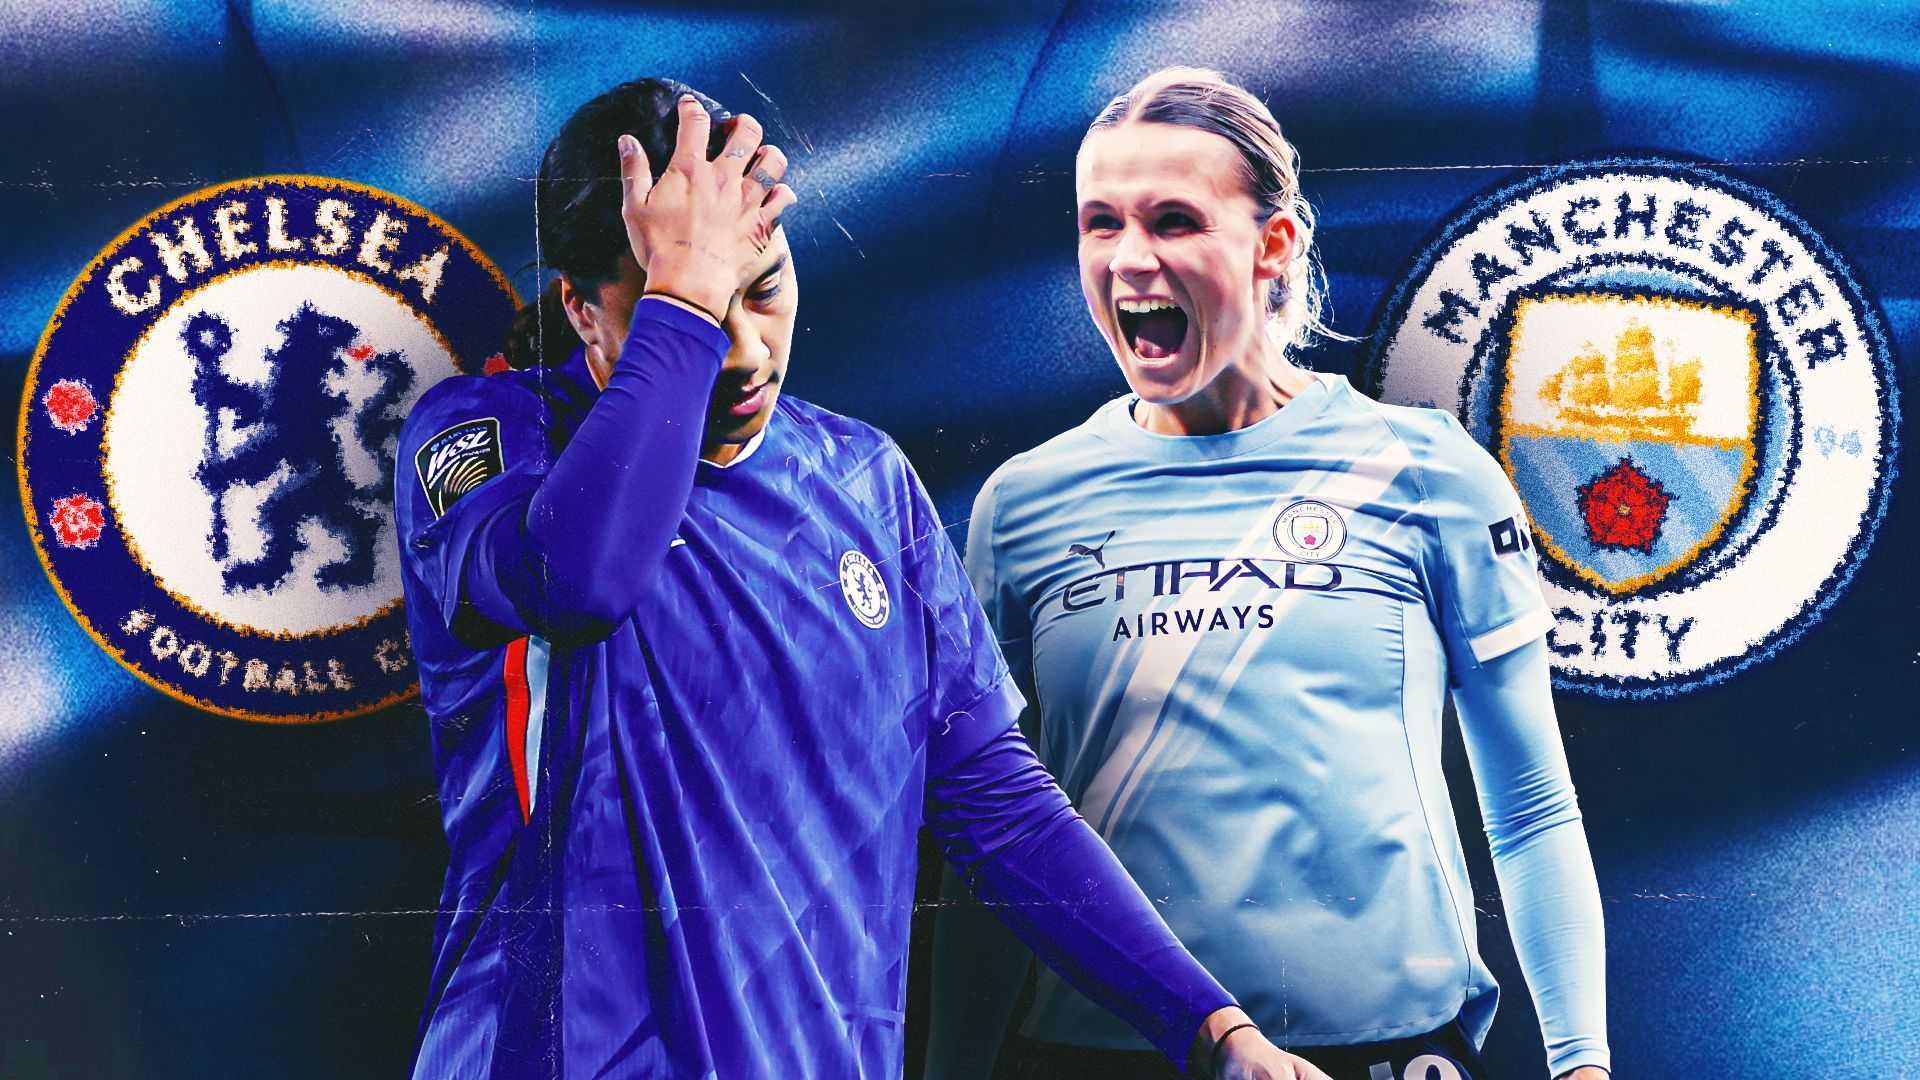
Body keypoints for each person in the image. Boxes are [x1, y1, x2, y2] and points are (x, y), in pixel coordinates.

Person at [395, 77, 1334, 1080]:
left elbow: (997, 804)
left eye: (763, 288)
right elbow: (579, 580)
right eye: (698, 307)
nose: (742, 351)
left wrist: (1214, 1031)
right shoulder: (492, 439)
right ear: (583, 311)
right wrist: (684, 297)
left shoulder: (864, 480)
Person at [929, 68, 1611, 1080]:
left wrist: (1583, 1063)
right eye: (1100, 223)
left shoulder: (1425, 471)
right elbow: (991, 845)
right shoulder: (1023, 505)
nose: (1129, 259)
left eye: (1173, 220)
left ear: (1274, 244)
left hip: (1387, 1054)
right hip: (1094, 1057)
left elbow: (1531, 808)